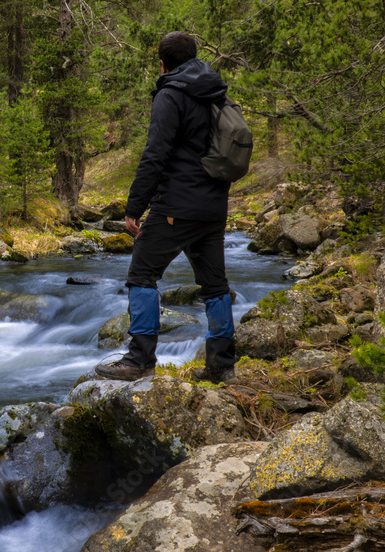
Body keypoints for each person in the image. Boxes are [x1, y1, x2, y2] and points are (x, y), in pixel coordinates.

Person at [94, 31, 237, 382]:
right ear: (194, 57)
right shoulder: (215, 93)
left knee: (142, 274)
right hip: (214, 206)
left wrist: (134, 208)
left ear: (162, 63)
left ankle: (139, 359)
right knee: (214, 285)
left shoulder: (170, 95)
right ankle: (221, 366)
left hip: (176, 205)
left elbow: (155, 155)